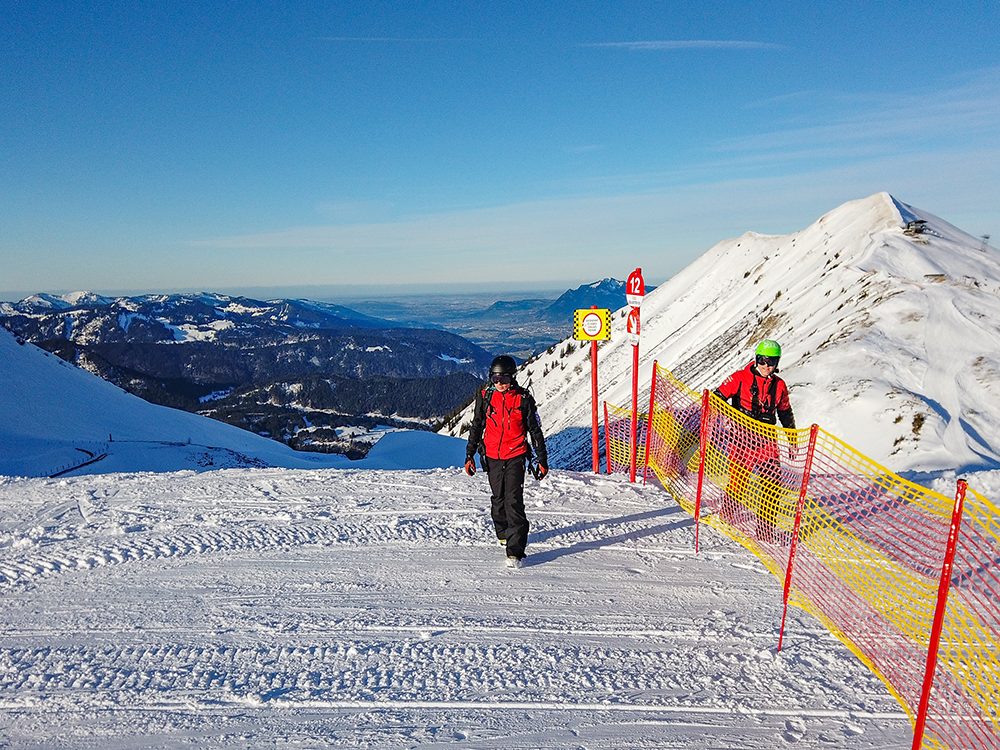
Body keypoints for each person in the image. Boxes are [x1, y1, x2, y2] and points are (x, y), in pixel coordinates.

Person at [465, 355, 548, 568]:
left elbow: (535, 430)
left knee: (513, 501)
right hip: (491, 455)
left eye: (504, 378)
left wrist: (541, 459)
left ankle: (515, 551)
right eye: (495, 378)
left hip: (515, 455)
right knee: (498, 499)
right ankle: (503, 533)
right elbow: (477, 425)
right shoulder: (485, 396)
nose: (500, 383)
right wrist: (469, 454)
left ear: (513, 377)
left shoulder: (523, 399)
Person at [713, 340, 796, 542]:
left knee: (772, 485)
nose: (767, 366)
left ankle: (765, 531)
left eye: (772, 362)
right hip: (742, 440)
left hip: (767, 441)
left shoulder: (779, 385)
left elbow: (785, 412)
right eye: (764, 360)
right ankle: (727, 515)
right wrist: (726, 418)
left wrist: (792, 439)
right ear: (757, 359)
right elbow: (716, 398)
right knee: (739, 483)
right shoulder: (740, 378)